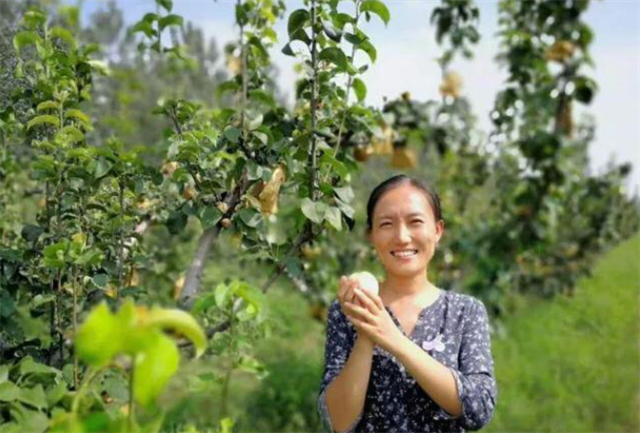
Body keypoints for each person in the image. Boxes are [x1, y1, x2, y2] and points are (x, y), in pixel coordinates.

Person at [317, 174, 497, 432]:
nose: (402, 237)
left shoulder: (465, 312)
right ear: (371, 236)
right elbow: (338, 422)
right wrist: (367, 331)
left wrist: (394, 340)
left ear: (437, 231)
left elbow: (478, 409)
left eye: (415, 222)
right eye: (387, 224)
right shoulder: (349, 310)